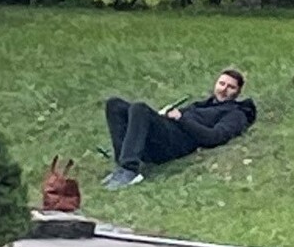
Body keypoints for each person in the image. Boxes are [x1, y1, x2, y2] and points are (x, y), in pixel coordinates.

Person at [100, 67, 254, 189]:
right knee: (115, 105)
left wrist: (181, 119)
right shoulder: (201, 105)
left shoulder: (235, 113)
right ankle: (122, 166)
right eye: (221, 84)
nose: (224, 89)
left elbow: (214, 137)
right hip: (166, 135)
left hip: (177, 144)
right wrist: (164, 116)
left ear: (238, 92)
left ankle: (129, 169)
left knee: (140, 108)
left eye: (231, 87)